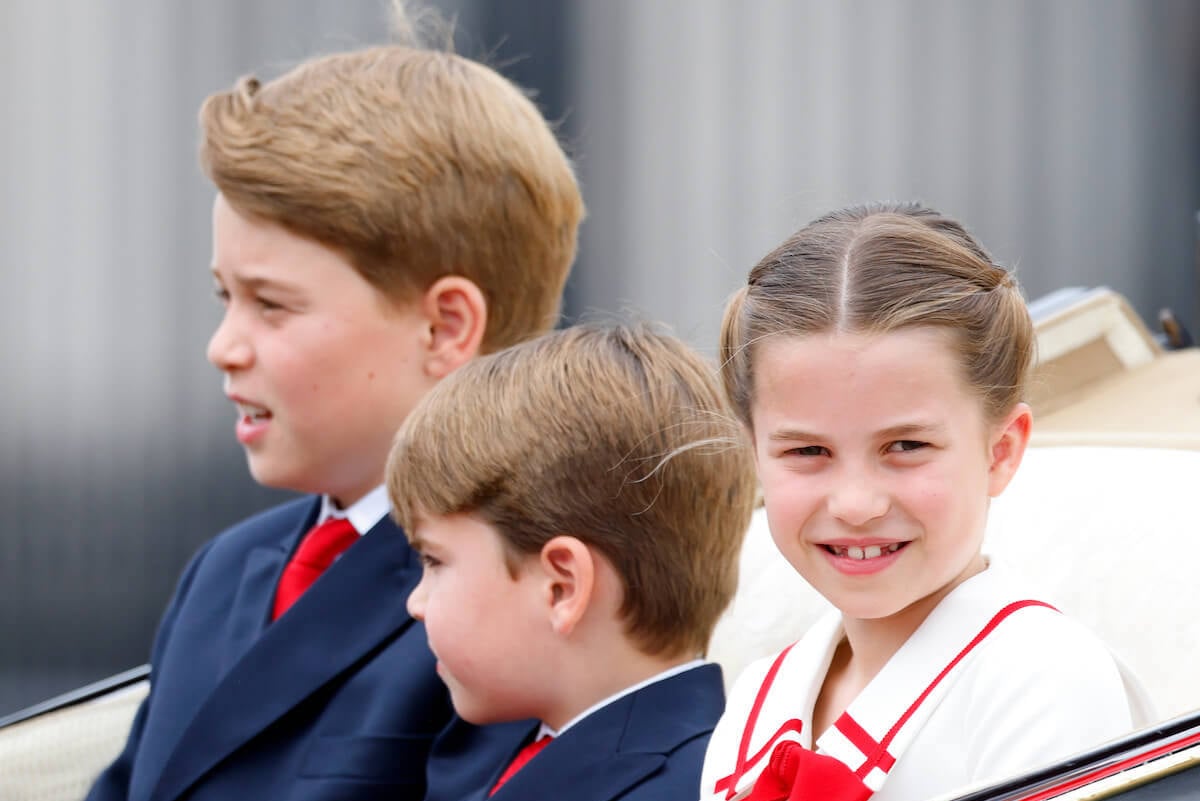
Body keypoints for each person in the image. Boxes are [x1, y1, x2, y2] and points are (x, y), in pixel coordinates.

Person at [85, 16, 584, 801]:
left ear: (445, 325)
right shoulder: (223, 573)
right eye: (226, 296)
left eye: (272, 305)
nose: (224, 345)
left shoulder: (532, 600)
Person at [700, 203, 1154, 801]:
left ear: (1000, 450)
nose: (856, 503)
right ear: (753, 451)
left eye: (906, 445)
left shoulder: (1044, 680)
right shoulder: (755, 706)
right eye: (808, 450)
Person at [386, 322, 759, 801]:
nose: (416, 602)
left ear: (562, 586)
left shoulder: (698, 788)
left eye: (435, 561)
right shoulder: (489, 748)